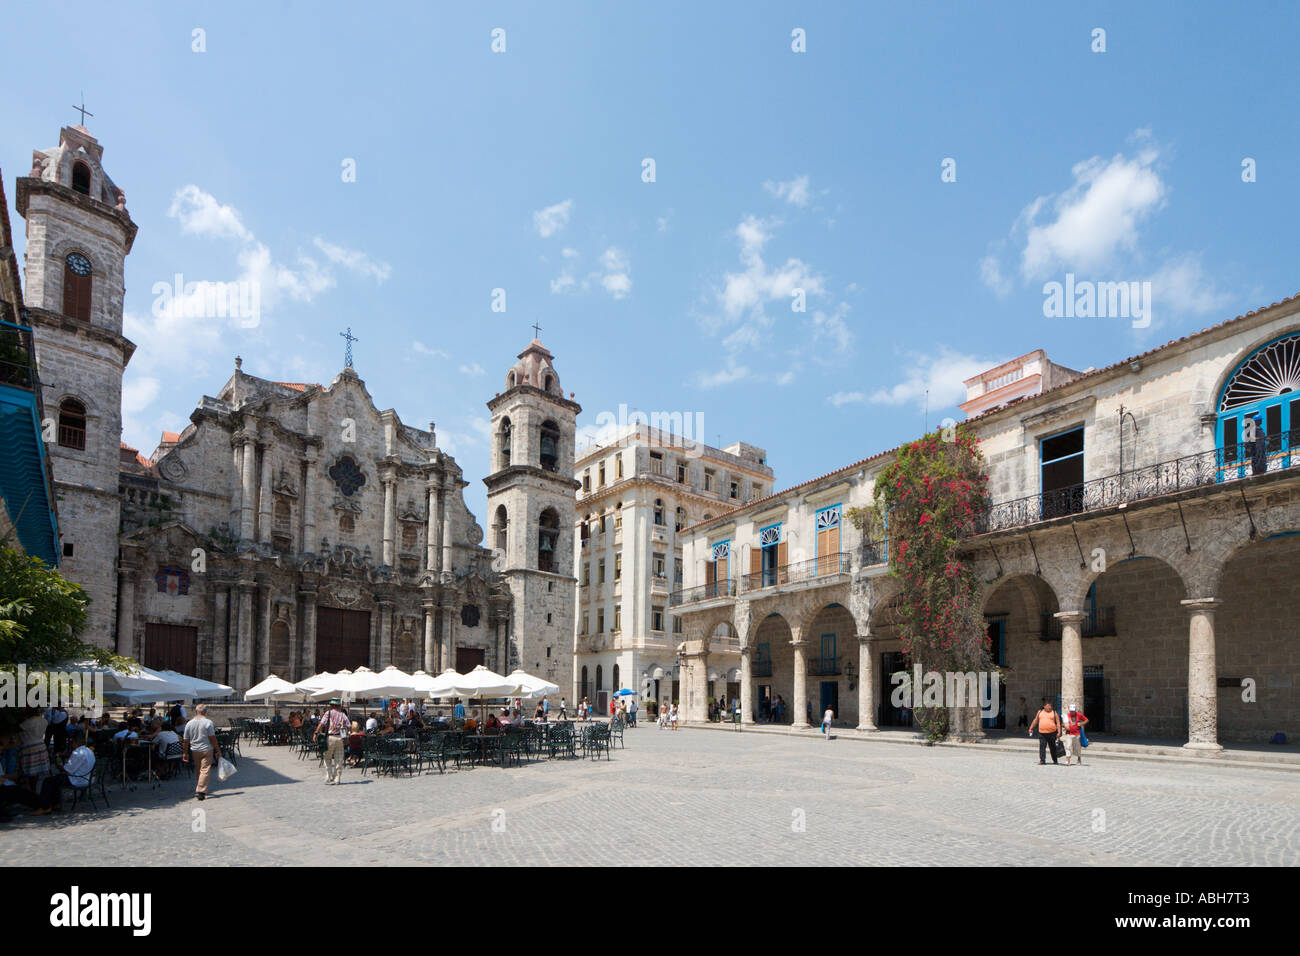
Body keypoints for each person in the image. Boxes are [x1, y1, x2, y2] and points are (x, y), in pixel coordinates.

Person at [31, 729, 95, 814]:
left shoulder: (77, 753)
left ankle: (44, 806)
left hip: (78, 779)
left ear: (74, 742)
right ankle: (55, 803)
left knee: (48, 781)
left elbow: (67, 770)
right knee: (56, 779)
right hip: (88, 777)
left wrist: (59, 766)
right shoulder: (88, 751)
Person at [181, 703, 221, 800]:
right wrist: (217, 750)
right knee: (205, 770)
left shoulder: (189, 723)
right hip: (207, 748)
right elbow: (212, 738)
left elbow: (186, 740)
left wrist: (185, 752)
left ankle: (200, 788)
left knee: (199, 770)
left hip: (194, 749)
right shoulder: (208, 723)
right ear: (205, 712)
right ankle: (201, 790)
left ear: (195, 711)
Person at [314, 700, 351, 784]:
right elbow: (349, 726)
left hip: (330, 738)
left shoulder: (328, 713)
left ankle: (329, 775)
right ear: (339, 706)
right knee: (339, 758)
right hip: (340, 738)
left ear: (331, 705)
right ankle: (337, 778)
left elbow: (321, 723)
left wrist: (316, 733)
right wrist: (345, 736)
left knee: (327, 757)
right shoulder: (343, 714)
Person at [18, 707, 50, 786]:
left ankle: (30, 791)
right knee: (36, 771)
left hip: (30, 748)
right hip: (41, 746)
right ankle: (33, 790)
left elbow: (17, 729)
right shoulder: (44, 721)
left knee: (30, 772)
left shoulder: (27, 722)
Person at [1028, 698, 1061, 765]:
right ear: (1044, 706)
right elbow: (1035, 720)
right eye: (1048, 706)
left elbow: (1058, 723)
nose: (1049, 707)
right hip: (1042, 733)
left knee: (1053, 747)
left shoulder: (1054, 713)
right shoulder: (1040, 712)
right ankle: (1042, 760)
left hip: (1052, 733)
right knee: (1042, 747)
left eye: (1050, 706)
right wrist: (1031, 728)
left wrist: (1059, 732)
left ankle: (1055, 760)